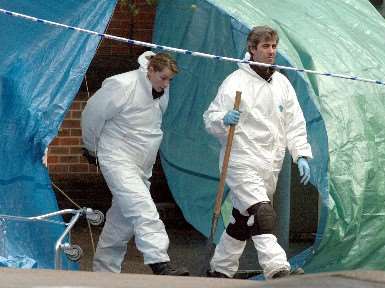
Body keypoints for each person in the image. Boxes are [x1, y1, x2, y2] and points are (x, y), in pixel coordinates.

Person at [203, 26, 313, 279]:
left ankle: (220, 269)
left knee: (243, 220)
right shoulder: (235, 82)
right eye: (265, 46)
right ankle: (277, 269)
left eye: (274, 46)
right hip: (241, 161)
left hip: (269, 164)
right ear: (252, 50)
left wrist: (301, 154)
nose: (271, 51)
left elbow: (294, 122)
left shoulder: (282, 83)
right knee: (262, 213)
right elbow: (210, 119)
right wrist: (224, 120)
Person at [81, 51, 189, 276]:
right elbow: (92, 113)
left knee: (120, 225)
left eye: (170, 79)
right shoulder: (122, 85)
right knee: (143, 208)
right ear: (150, 70)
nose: (167, 84)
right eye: (163, 78)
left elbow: (149, 127)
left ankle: (104, 274)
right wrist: (91, 147)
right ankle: (160, 262)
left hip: (142, 164)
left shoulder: (160, 90)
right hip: (117, 157)